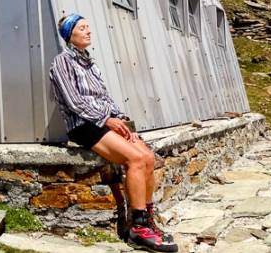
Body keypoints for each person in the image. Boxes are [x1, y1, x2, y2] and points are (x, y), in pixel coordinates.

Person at [49, 13, 178, 252]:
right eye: (82, 28)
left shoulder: (90, 63)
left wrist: (122, 121)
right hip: (84, 125)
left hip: (106, 122)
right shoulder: (62, 62)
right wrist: (106, 120)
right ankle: (137, 230)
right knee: (136, 159)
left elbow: (106, 98)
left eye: (89, 27)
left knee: (147, 157)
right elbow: (75, 102)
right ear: (70, 35)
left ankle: (147, 220)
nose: (88, 31)